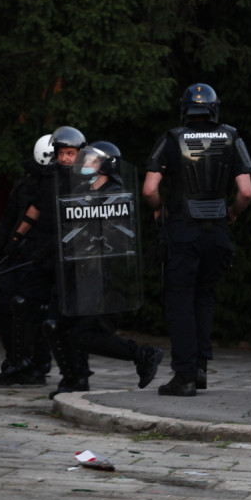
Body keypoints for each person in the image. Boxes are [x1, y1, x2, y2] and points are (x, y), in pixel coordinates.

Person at [143, 83, 251, 397]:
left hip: (182, 230)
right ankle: (201, 367)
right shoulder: (232, 136)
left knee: (180, 302)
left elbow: (150, 189)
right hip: (216, 230)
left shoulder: (171, 138)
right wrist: (231, 212)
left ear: (185, 109)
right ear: (215, 108)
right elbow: (246, 191)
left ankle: (185, 376)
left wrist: (158, 211)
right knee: (204, 297)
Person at [42, 142, 163, 398]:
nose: (84, 164)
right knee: (55, 325)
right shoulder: (80, 190)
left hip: (100, 276)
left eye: (91, 161)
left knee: (84, 335)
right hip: (75, 272)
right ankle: (74, 379)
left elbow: (117, 238)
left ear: (107, 165)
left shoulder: (116, 193)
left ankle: (142, 354)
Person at [0, 126, 87, 386]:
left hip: (68, 257)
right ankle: (23, 362)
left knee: (63, 317)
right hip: (42, 254)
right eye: (62, 153)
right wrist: (15, 240)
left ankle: (74, 373)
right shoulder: (47, 178)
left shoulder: (86, 179)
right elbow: (34, 210)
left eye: (71, 153)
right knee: (24, 303)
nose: (66, 158)